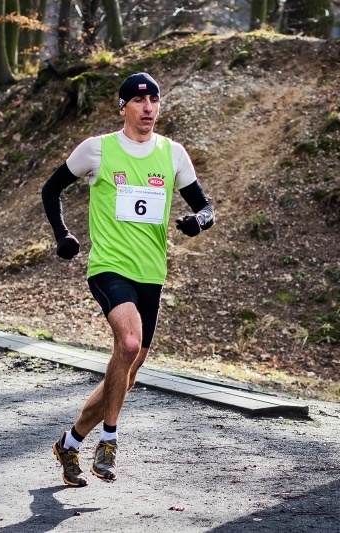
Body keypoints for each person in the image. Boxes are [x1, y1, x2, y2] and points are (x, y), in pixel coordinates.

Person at [40, 72, 215, 487]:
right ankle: (109, 441)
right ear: (123, 107)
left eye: (154, 100)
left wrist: (198, 222)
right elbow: (51, 189)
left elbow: (206, 205)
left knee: (127, 371)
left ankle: (69, 441)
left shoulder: (172, 154)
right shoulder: (97, 150)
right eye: (139, 101)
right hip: (109, 267)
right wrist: (63, 235)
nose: (148, 108)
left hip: (151, 273)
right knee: (129, 343)